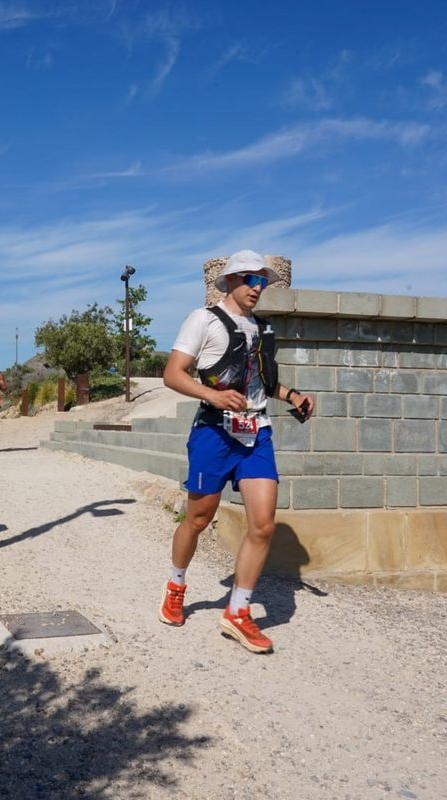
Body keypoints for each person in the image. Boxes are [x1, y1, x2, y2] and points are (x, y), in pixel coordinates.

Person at [158, 249, 315, 654]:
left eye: (262, 281)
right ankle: (176, 585)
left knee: (262, 525)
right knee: (197, 518)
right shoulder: (203, 320)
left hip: (257, 432)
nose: (257, 288)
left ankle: (238, 612)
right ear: (229, 281)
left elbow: (262, 383)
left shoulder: (262, 330)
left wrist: (293, 395)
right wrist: (212, 395)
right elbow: (173, 374)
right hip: (214, 432)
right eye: (250, 279)